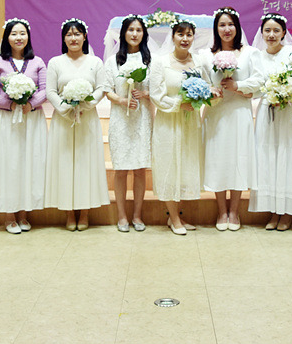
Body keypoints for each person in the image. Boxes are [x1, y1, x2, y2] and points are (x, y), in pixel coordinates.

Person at [44, 19, 110, 230]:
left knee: (85, 163)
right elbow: (50, 91)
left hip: (87, 118)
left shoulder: (95, 62)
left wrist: (85, 104)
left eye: (77, 34)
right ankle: (69, 213)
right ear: (64, 38)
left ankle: (85, 213)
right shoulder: (55, 62)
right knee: (65, 163)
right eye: (69, 34)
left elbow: (101, 88)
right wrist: (65, 107)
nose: (73, 38)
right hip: (63, 120)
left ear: (84, 36)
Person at [248, 14, 292, 231]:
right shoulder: (257, 56)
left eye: (276, 30)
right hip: (267, 113)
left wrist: (290, 95)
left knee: (288, 156)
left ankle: (287, 213)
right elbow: (257, 87)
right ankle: (273, 211)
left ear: (284, 32)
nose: (271, 35)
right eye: (267, 30)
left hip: (289, 113)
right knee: (268, 158)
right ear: (262, 33)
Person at [200, 7, 260, 231]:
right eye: (222, 25)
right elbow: (202, 81)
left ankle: (234, 211)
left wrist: (238, 86)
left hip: (239, 113)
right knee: (218, 160)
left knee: (238, 159)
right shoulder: (206, 55)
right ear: (216, 29)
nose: (227, 29)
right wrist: (210, 90)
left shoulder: (250, 53)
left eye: (231, 24)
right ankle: (221, 211)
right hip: (216, 114)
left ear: (238, 27)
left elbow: (259, 81)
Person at [0, 18, 47, 234]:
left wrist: (30, 104)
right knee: (9, 165)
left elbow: (45, 90)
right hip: (8, 121)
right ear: (7, 37)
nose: (18, 37)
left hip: (32, 119)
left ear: (28, 36)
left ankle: (23, 214)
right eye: (14, 34)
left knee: (29, 163)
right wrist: (10, 104)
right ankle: (9, 215)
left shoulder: (37, 62)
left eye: (22, 33)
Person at [150, 19, 211, 235]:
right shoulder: (160, 62)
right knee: (169, 165)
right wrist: (179, 104)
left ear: (194, 37)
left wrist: (201, 98)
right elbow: (156, 95)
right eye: (180, 34)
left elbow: (207, 87)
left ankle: (177, 215)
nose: (185, 39)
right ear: (173, 36)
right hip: (168, 122)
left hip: (190, 122)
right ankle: (174, 218)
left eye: (189, 35)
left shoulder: (199, 62)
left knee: (186, 167)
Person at [104, 15, 152, 232]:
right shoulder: (113, 61)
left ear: (144, 34)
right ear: (123, 33)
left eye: (138, 30)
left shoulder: (150, 61)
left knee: (140, 169)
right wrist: (122, 100)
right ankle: (122, 216)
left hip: (142, 119)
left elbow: (158, 88)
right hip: (121, 119)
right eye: (131, 30)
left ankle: (137, 215)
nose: (134, 34)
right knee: (121, 169)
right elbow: (107, 90)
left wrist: (145, 94)